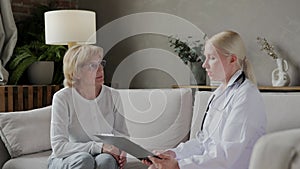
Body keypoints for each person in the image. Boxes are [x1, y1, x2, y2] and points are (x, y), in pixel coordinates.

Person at [143, 30, 267, 169]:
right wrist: (172, 155)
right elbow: (204, 142)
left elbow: (226, 155)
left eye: (212, 58)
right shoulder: (219, 93)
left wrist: (178, 166)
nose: (204, 64)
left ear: (232, 59)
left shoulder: (246, 95)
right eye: (205, 58)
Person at [48, 44, 129, 169]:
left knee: (106, 161)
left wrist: (123, 150)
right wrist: (99, 147)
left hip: (103, 155)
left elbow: (121, 135)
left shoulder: (113, 95)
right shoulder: (63, 98)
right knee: (84, 159)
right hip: (68, 157)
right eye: (93, 66)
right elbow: (59, 147)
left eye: (101, 63)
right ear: (77, 72)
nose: (100, 69)